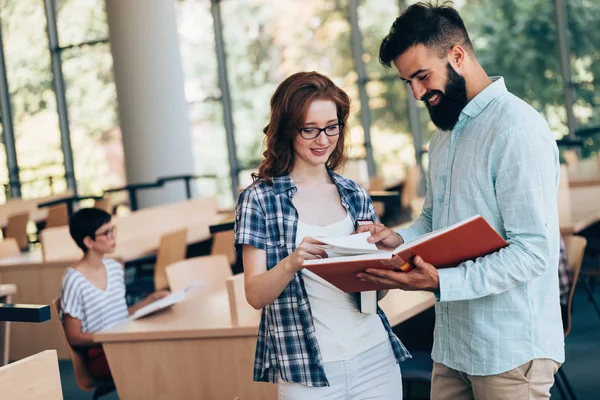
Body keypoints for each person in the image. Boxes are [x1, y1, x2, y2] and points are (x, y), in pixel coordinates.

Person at [356, 3, 564, 399]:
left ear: (457, 55)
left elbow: (533, 251)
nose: (417, 92)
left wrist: (441, 281)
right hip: (453, 345)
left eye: (421, 76)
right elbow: (434, 219)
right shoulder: (445, 136)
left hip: (510, 351)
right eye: (408, 82)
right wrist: (397, 240)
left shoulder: (517, 129)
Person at [234, 71, 409, 399]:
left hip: (374, 357)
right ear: (287, 130)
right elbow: (255, 295)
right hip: (307, 371)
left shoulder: (353, 193)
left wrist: (385, 268)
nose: (323, 139)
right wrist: (292, 263)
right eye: (310, 129)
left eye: (332, 127)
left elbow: (375, 297)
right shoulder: (259, 199)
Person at [60, 208, 169, 380]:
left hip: (125, 342)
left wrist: (151, 300)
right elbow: (74, 336)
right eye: (106, 233)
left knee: (169, 350)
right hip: (102, 353)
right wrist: (111, 338)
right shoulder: (74, 280)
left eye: (113, 230)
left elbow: (119, 316)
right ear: (88, 241)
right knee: (163, 359)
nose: (113, 236)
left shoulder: (114, 268)